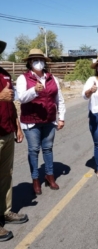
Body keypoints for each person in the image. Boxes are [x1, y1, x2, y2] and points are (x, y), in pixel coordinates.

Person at [17, 49, 66, 194]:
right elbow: (21, 98)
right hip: (31, 122)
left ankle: (49, 176)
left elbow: (59, 99)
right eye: (35, 60)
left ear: (45, 62)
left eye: (41, 59)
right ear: (30, 63)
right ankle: (35, 179)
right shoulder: (23, 78)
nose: (39, 62)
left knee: (48, 149)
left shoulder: (53, 79)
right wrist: (34, 90)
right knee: (33, 150)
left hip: (49, 120)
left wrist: (61, 117)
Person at [0, 40, 28, 242]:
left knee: (6, 175)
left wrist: (17, 126)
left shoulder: (4, 74)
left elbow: (11, 104)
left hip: (7, 131)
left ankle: (5, 211)